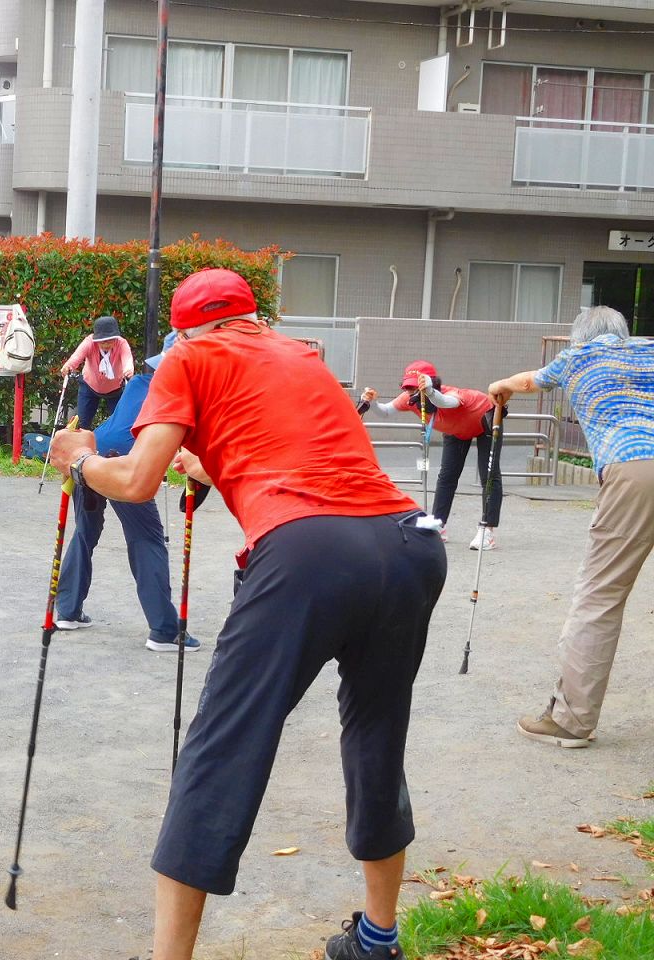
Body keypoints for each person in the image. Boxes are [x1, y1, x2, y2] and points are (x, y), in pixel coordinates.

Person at [49, 268, 446, 960]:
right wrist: (201, 462)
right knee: (377, 737)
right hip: (408, 543)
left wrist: (82, 460)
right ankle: (379, 939)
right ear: (252, 317)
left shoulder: (188, 358)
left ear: (188, 328)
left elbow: (137, 480)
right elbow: (278, 454)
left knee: (219, 752)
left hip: (309, 554)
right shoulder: (300, 356)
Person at [489, 306, 654, 750]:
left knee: (600, 598)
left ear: (579, 336)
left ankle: (571, 721)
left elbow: (526, 381)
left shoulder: (576, 357)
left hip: (635, 468)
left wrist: (498, 388)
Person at [55, 331, 200, 654]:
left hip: (91, 452)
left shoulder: (138, 384)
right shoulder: (184, 395)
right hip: (126, 462)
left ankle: (67, 610)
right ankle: (163, 630)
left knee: (85, 532)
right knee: (146, 537)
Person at [363, 360, 503, 550]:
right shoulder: (410, 398)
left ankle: (487, 530)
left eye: (416, 386)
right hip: (456, 431)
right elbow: (386, 412)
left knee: (489, 476)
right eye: (408, 387)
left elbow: (444, 402)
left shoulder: (452, 394)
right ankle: (438, 524)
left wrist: (428, 391)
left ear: (433, 384)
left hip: (485, 419)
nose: (412, 391)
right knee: (446, 477)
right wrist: (372, 403)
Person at [61, 315, 135, 428]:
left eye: (109, 341)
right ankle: (82, 444)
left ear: (115, 338)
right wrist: (69, 366)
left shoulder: (121, 343)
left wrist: (128, 370)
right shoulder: (89, 342)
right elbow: (77, 356)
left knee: (119, 424)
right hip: (89, 386)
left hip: (114, 388)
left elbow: (127, 358)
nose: (106, 345)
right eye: (102, 341)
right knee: (82, 423)